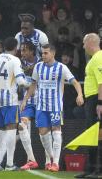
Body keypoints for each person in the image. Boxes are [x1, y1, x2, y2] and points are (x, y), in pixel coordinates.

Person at [21, 44, 84, 172]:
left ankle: (55, 163)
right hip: (41, 106)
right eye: (42, 53)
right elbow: (33, 85)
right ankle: (51, 157)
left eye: (45, 53)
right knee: (43, 134)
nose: (43, 55)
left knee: (56, 131)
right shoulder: (38, 67)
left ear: (53, 54)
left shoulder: (61, 67)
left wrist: (80, 95)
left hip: (56, 106)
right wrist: (25, 100)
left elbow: (75, 82)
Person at [0, 37, 29, 171]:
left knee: (0, 130)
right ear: (16, 48)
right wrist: (30, 84)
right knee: (11, 129)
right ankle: (9, 164)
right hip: (10, 100)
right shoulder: (15, 60)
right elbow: (20, 81)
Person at [75, 33, 102, 178]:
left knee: (96, 135)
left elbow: (101, 82)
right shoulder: (95, 58)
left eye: (85, 43)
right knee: (93, 135)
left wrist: (99, 103)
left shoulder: (98, 58)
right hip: (92, 99)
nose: (83, 46)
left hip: (95, 100)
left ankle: (96, 170)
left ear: (91, 42)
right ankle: (91, 169)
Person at [18, 41, 39, 170]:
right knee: (21, 125)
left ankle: (50, 161)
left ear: (32, 51)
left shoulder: (43, 62)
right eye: (21, 51)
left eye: (24, 50)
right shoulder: (18, 64)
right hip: (28, 101)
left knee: (46, 132)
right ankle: (32, 159)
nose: (22, 53)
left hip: (43, 101)